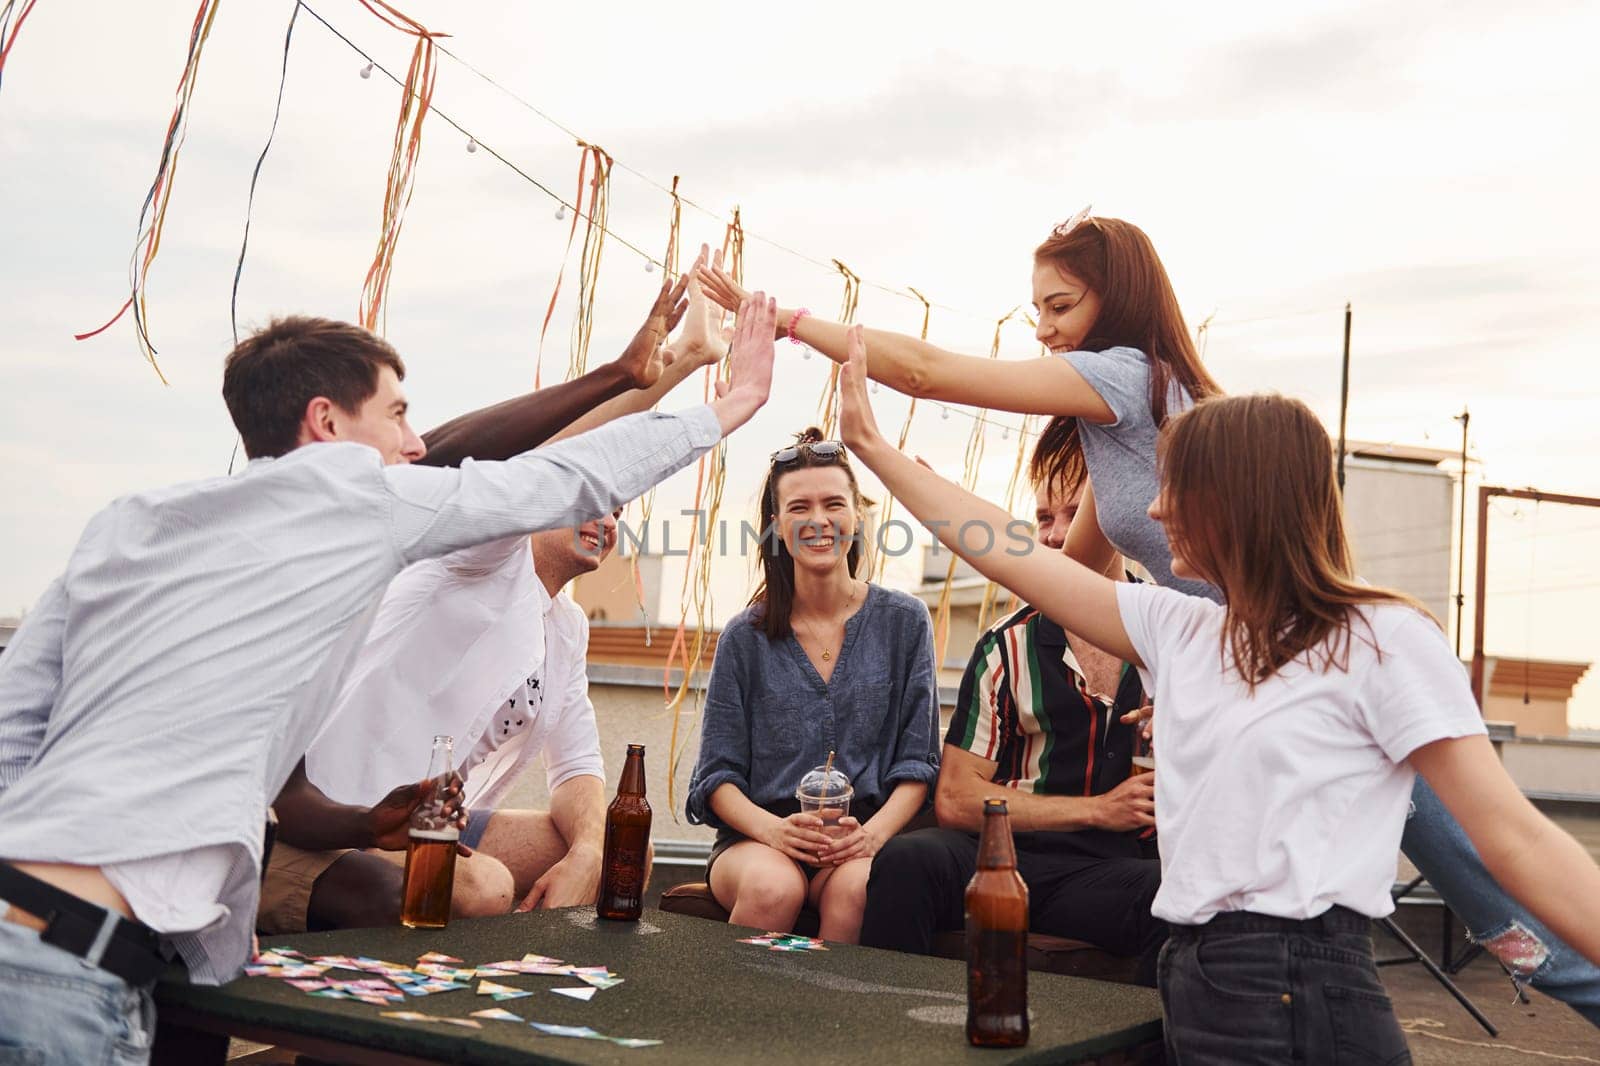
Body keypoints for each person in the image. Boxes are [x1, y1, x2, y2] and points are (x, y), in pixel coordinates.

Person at [703, 215, 1600, 1025]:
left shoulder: (1125, 378)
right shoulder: (1132, 466)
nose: (1045, 328)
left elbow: (926, 372)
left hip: (1299, 673)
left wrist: (786, 324)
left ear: (1116, 299)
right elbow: (1060, 572)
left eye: (1060, 306)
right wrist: (1171, 688)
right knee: (1465, 894)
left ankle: (1563, 974)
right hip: (1228, 670)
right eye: (1036, 312)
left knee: (1495, 887)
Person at [0, 290, 777, 1064]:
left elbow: (14, 731)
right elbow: (555, 476)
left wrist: (363, 823)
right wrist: (730, 403)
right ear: (326, 422)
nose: (415, 442)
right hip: (73, 976)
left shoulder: (128, 521)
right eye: (398, 415)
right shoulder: (360, 505)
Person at [259, 269, 730, 933]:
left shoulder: (565, 626)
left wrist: (591, 854)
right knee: (485, 885)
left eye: (616, 507)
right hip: (342, 810)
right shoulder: (483, 552)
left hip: (437, 815)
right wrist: (679, 364)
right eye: (589, 499)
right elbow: (553, 454)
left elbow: (577, 770)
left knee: (619, 847)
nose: (604, 514)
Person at [859, 467, 1165, 983]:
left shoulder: (1169, 632)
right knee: (909, 860)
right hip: (1000, 858)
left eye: (1072, 516)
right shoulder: (1008, 644)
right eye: (1044, 516)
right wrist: (1097, 810)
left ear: (1117, 521)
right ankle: (884, 1036)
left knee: (1179, 892)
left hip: (1110, 873)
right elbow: (955, 800)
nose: (1054, 534)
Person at [685, 429, 940, 944]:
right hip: (758, 838)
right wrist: (775, 831)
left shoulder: (906, 622)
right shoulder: (744, 637)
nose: (818, 520)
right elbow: (717, 777)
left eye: (833, 504)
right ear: (777, 526)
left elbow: (919, 764)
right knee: (776, 889)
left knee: (858, 891)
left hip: (860, 837)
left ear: (857, 516)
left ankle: (825, 1024)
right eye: (799, 507)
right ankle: (728, 1023)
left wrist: (871, 836)